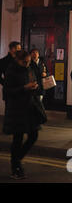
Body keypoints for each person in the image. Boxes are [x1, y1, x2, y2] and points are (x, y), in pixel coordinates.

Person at [3, 50, 41, 179]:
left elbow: (35, 80)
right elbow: (8, 91)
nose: (27, 64)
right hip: (17, 109)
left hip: (30, 107)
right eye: (24, 62)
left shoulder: (29, 69)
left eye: (29, 62)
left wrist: (35, 87)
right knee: (17, 139)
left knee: (34, 135)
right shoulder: (11, 71)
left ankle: (17, 159)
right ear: (18, 60)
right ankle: (16, 167)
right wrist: (24, 88)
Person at [0, 42, 22, 107]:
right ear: (12, 49)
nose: (19, 50)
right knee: (9, 110)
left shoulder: (21, 60)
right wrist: (5, 83)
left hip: (21, 88)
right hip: (9, 89)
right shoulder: (3, 61)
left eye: (20, 48)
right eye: (17, 48)